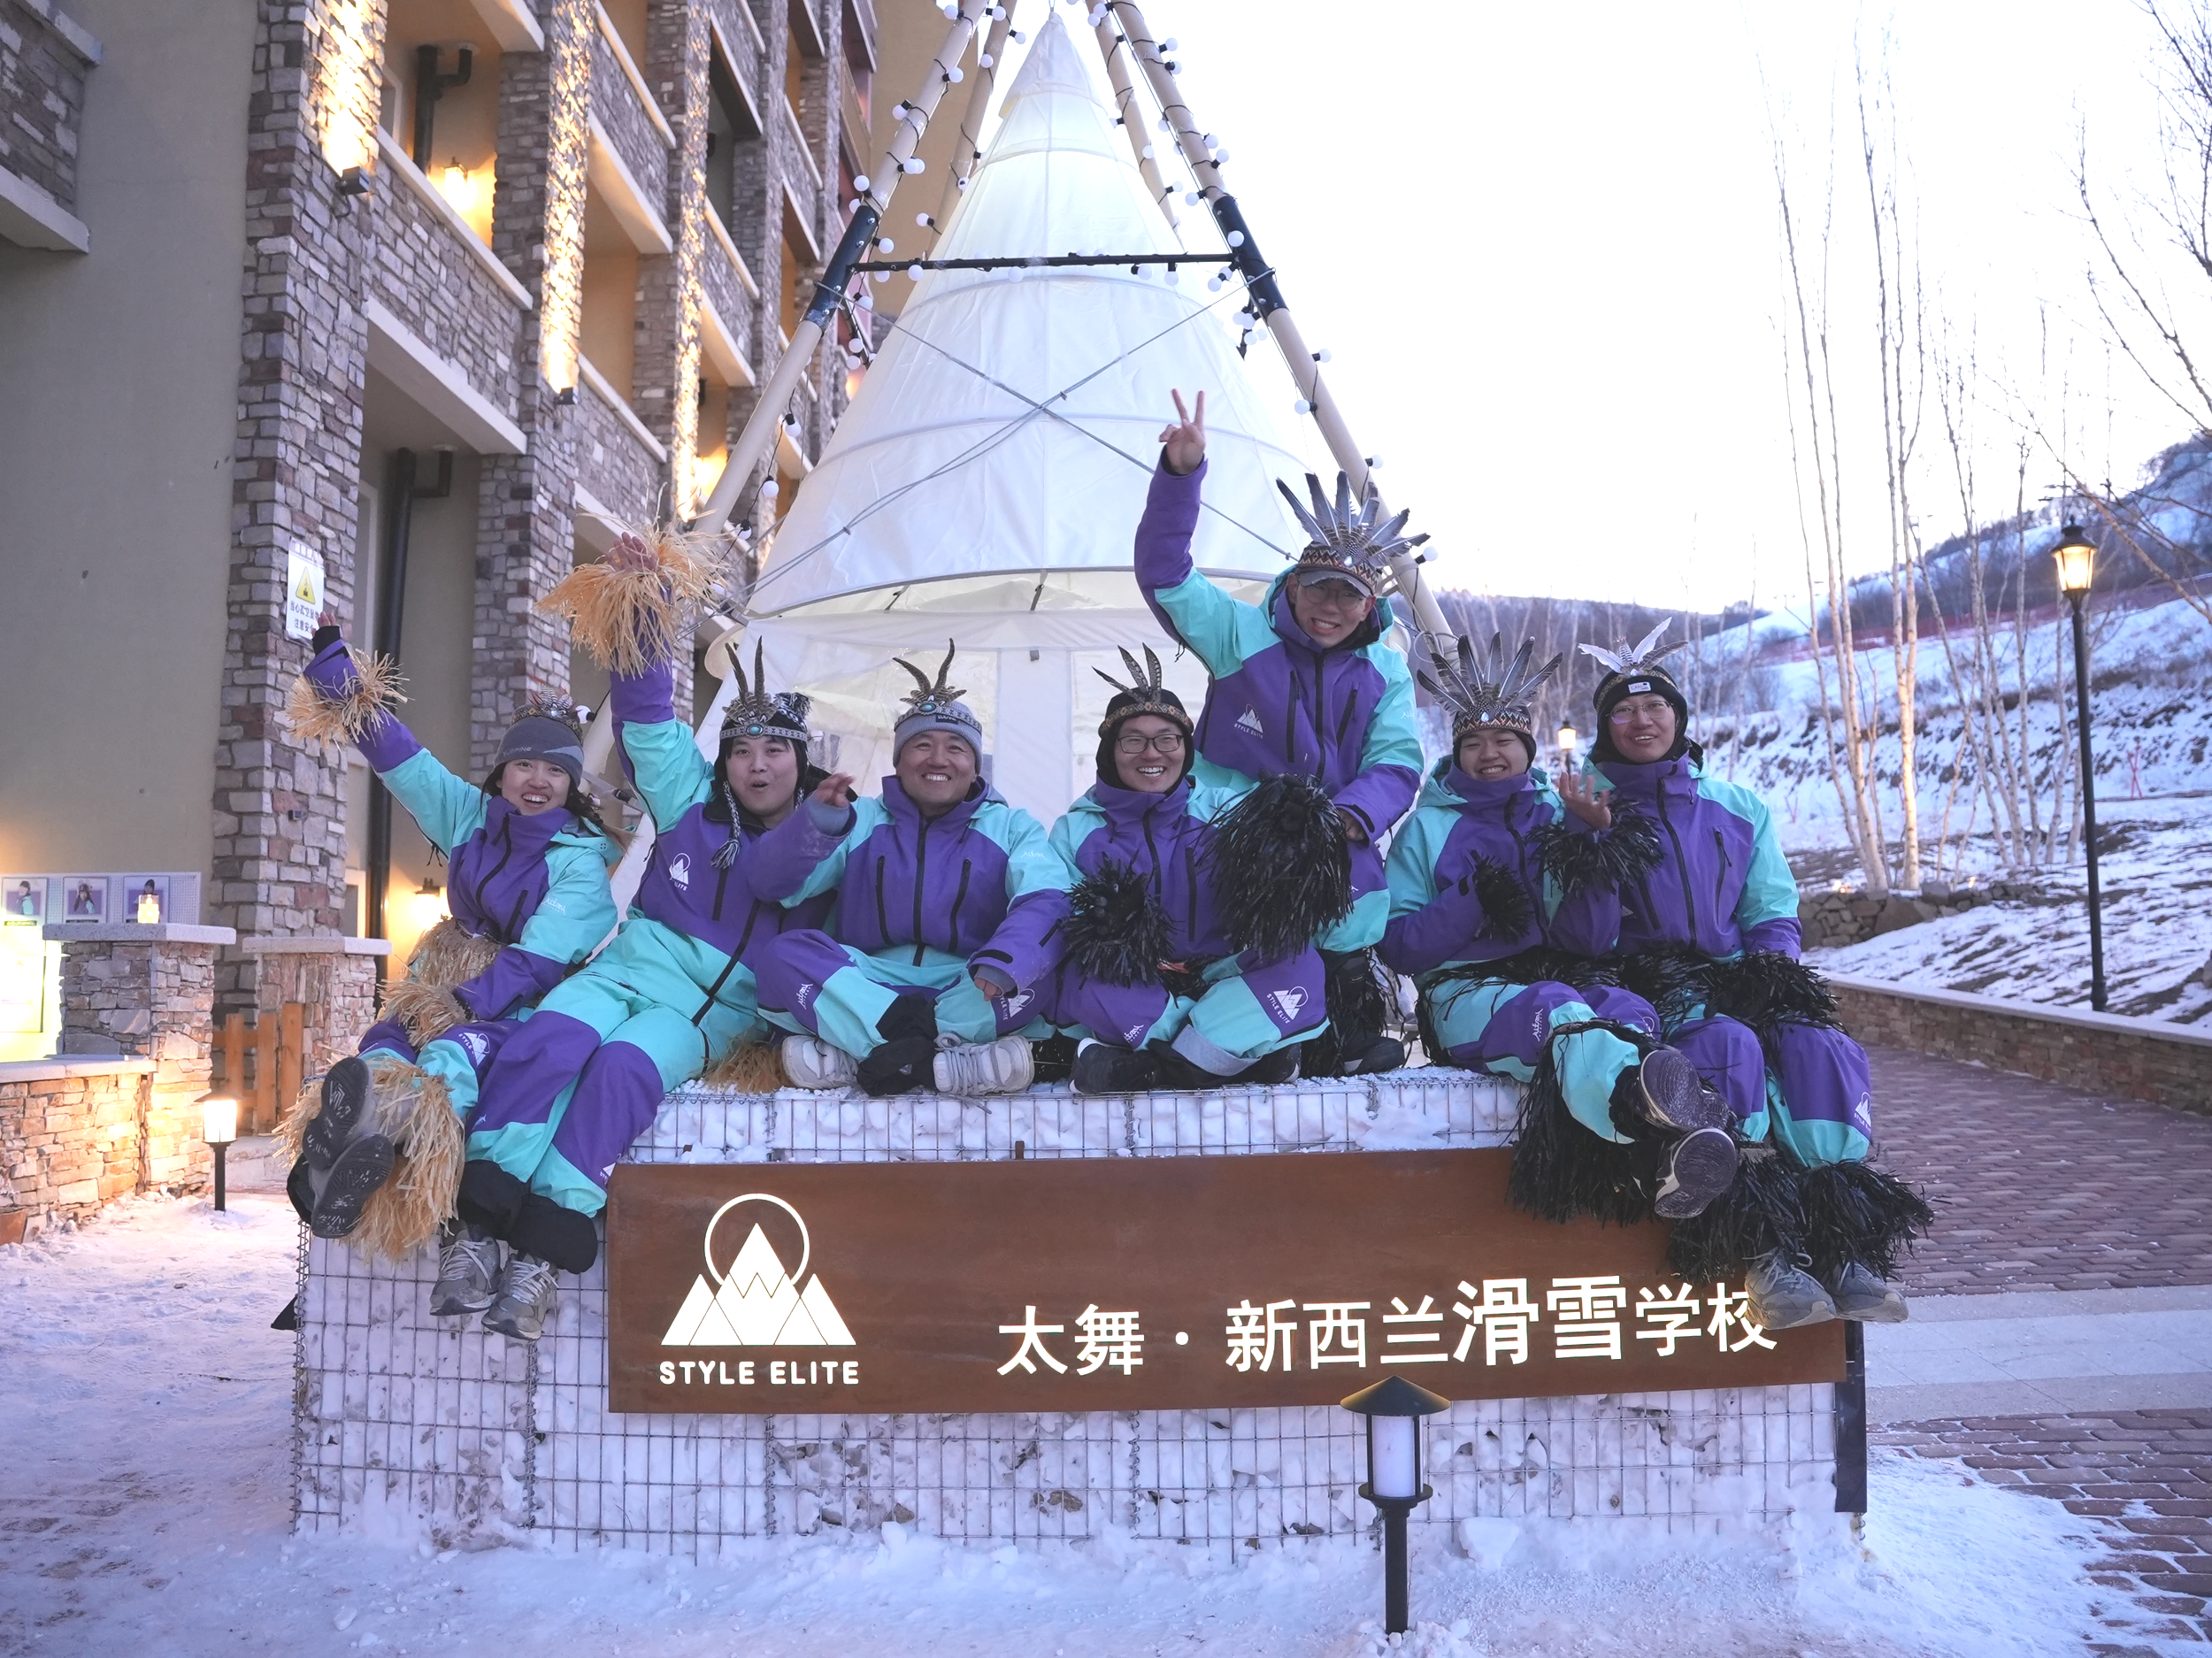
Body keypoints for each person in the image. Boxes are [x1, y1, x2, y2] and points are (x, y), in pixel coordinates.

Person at [448, 536, 841, 1341]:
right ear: (723, 759)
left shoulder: (833, 833)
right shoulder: (691, 801)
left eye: (774, 752)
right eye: (742, 750)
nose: (756, 766)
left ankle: (540, 1254)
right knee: (549, 1042)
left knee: (621, 1074)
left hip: (706, 1010)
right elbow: (651, 722)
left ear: (799, 764)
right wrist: (643, 611)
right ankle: (479, 1229)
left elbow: (788, 880)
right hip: (630, 965)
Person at [1544, 624, 1931, 1329]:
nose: (1641, 720)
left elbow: (1770, 903)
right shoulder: (1578, 805)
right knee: (1728, 1049)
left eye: (1655, 706)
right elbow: (1578, 934)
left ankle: (1843, 1242)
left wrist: (1773, 968)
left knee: (1821, 1050)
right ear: (1604, 726)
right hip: (1643, 975)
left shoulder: (1736, 806)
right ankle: (1763, 1248)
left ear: (1678, 718)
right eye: (1622, 711)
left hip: (1732, 968)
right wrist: (1590, 840)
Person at [280, 617, 618, 1332]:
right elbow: (404, 762)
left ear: (570, 784)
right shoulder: (469, 815)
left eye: (555, 770)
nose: (537, 780)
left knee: (453, 1058)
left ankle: (393, 1131)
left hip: (516, 995)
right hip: (444, 965)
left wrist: (461, 1003)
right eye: (526, 765)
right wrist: (342, 680)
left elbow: (542, 957)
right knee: (384, 1039)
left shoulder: (581, 860)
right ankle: (345, 1141)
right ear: (503, 771)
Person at [1381, 633, 1740, 1219]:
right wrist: (1473, 899)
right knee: (1560, 1011)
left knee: (1631, 1012)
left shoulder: (1559, 812)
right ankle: (1663, 1124)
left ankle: (1676, 1160)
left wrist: (1589, 842)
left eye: (1503, 739)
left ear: (1527, 746)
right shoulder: (1426, 828)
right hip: (1467, 995)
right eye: (1473, 742)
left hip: (1565, 977)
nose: (1488, 753)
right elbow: (1399, 946)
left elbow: (1591, 940)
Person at [1133, 389, 1424, 1076]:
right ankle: (1231, 1017)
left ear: (1369, 605)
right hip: (1228, 816)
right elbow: (1166, 575)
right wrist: (1181, 477)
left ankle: (1351, 1012)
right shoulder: (1240, 634)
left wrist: (1350, 817)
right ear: (1292, 586)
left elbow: (1397, 762)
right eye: (1318, 588)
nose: (1330, 606)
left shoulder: (1385, 669)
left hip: (1329, 829)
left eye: (1347, 595)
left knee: (1359, 875)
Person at [751, 644, 1071, 1098]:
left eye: (956, 748)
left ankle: (866, 1051)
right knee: (784, 955)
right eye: (922, 745)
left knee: (1037, 975)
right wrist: (814, 826)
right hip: (868, 982)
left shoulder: (1011, 827)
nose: (938, 759)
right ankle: (947, 1062)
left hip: (966, 984)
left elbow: (1048, 898)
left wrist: (1005, 963)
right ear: (898, 761)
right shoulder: (859, 819)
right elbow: (771, 884)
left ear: (975, 764)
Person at [1036, 647, 1325, 1094]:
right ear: (1110, 752)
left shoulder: (1224, 809)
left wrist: (1294, 839)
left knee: (1300, 962)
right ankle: (1239, 1057)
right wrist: (1103, 930)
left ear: (1185, 749)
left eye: (1167, 739)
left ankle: (1144, 1069)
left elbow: (1282, 892)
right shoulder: (1076, 830)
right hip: (1137, 983)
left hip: (1222, 974)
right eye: (1132, 740)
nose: (1151, 753)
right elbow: (1057, 918)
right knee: (1083, 983)